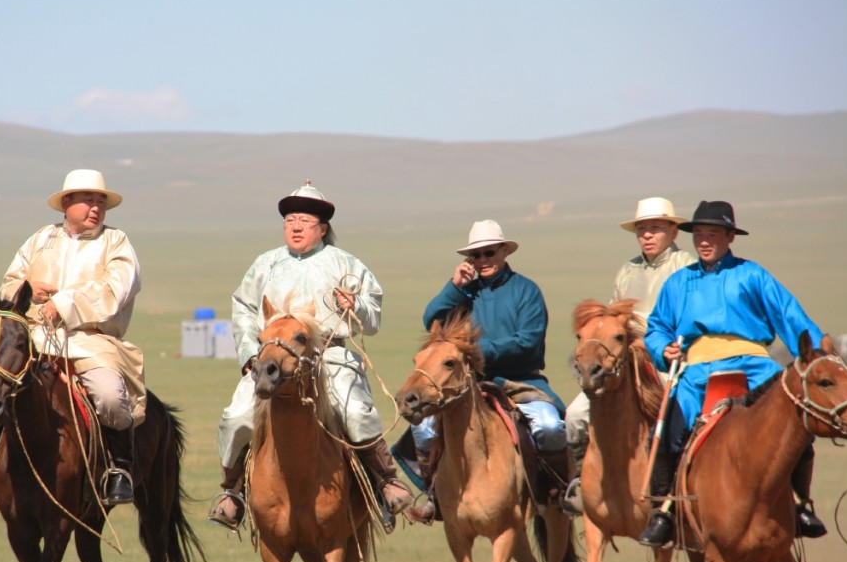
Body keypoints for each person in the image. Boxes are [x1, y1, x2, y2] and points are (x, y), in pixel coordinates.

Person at [208, 180, 413, 531]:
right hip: (272, 364)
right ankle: (233, 492)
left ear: (322, 228)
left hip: (329, 360)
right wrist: (247, 353)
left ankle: (385, 482)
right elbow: (243, 308)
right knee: (236, 416)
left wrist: (357, 305)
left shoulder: (344, 263)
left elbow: (374, 314)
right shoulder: (265, 264)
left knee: (354, 412)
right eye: (290, 220)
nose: (296, 226)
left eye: (304, 220)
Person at [638, 200, 827, 546]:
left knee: (799, 422)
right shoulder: (679, 282)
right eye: (698, 234)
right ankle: (664, 511)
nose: (704, 241)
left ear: (729, 237)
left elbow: (789, 315)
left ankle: (801, 504)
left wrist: (818, 350)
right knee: (664, 432)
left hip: (755, 366)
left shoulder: (752, 275)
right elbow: (657, 328)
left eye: (712, 234)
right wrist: (663, 348)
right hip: (697, 371)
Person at [0, 169, 144, 506]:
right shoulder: (39, 240)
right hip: (33, 339)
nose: (96, 208)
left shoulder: (116, 242)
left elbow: (116, 288)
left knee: (108, 395)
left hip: (91, 338)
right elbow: (9, 284)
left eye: (100, 202)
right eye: (88, 200)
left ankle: (120, 469)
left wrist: (62, 305)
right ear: (66, 203)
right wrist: (26, 290)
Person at [402, 220, 568, 524]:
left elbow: (528, 341)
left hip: (520, 381)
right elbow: (431, 321)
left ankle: (555, 491)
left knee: (549, 426)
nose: (482, 261)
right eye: (475, 256)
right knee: (422, 429)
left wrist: (478, 352)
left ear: (504, 250)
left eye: (488, 252)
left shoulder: (526, 291)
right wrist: (454, 287)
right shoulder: (466, 294)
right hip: (470, 384)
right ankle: (435, 495)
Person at [561, 197, 694, 515]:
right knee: (575, 415)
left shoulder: (686, 266)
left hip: (666, 360)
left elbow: (690, 314)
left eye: (656, 228)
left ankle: (679, 484)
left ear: (673, 232)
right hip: (626, 359)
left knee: (679, 418)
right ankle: (583, 483)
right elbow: (612, 318)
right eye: (642, 229)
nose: (647, 235)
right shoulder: (627, 270)